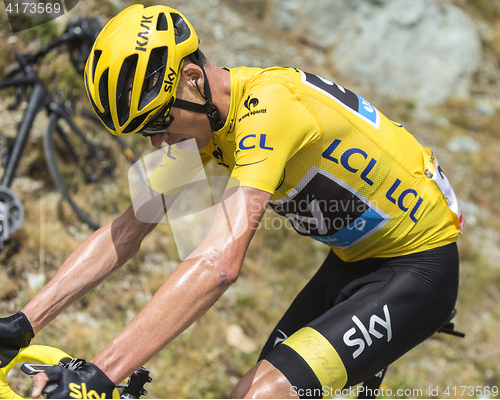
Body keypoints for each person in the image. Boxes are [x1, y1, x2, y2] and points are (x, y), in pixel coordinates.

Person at [0, 4, 464, 399]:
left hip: (418, 268)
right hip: (353, 261)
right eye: (145, 130)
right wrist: (22, 323)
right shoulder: (197, 130)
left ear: (193, 79)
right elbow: (127, 231)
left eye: (159, 120)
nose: (158, 139)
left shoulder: (268, 110)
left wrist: (99, 374)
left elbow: (219, 263)